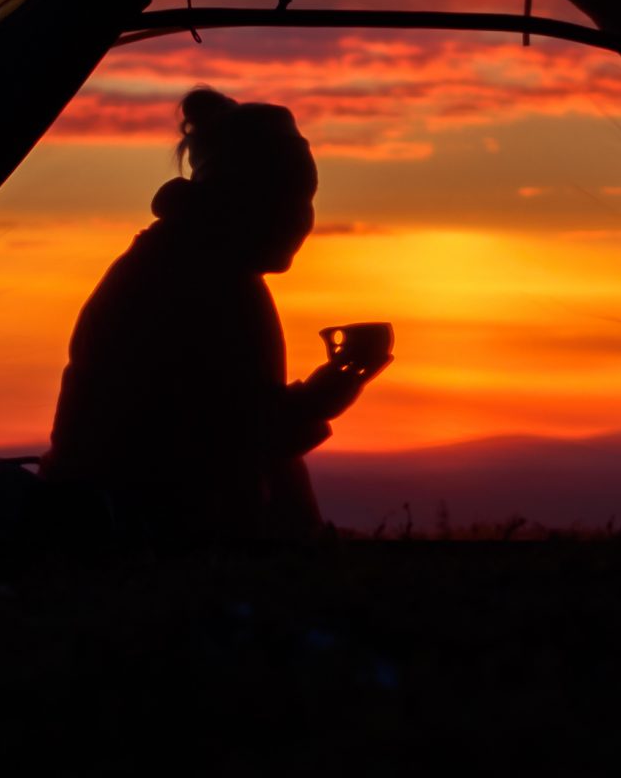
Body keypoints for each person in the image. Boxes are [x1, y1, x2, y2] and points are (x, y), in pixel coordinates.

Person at [44, 88, 389, 542]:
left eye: (305, 202)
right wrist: (329, 392)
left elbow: (244, 433)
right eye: (284, 202)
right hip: (132, 535)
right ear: (239, 199)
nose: (301, 221)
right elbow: (221, 444)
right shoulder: (186, 278)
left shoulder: (208, 264)